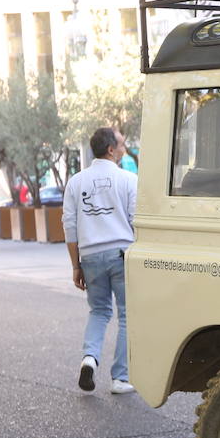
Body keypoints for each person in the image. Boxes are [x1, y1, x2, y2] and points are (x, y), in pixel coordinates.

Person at [63, 127, 138, 394]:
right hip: (122, 254)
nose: (123, 147)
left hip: (91, 256)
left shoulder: (76, 182)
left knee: (99, 311)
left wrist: (76, 265)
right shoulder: (128, 180)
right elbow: (135, 221)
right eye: (121, 143)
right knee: (128, 315)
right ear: (110, 149)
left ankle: (89, 358)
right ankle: (120, 377)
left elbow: (69, 227)